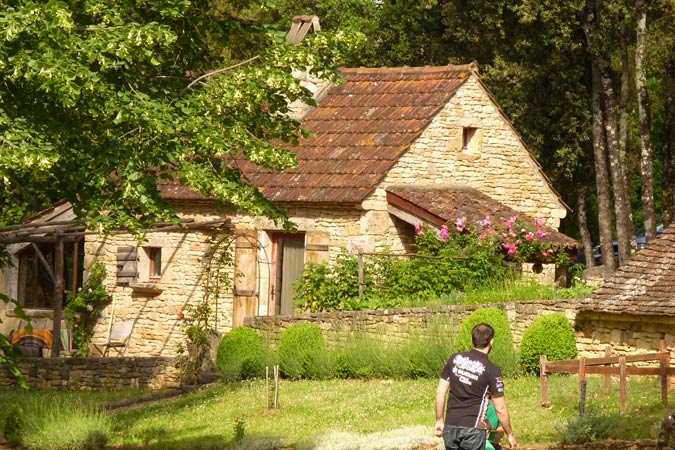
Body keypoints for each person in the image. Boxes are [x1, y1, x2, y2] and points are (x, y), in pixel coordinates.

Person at [435, 323, 518, 450]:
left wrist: (440, 420)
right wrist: (510, 434)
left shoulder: (454, 359)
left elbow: (440, 392)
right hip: (473, 430)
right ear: (491, 341)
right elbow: (500, 408)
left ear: (472, 340)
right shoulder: (492, 370)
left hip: (450, 427)